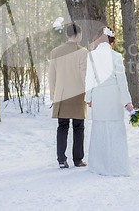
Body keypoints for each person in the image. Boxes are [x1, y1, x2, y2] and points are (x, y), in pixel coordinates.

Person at [85, 26, 134, 176]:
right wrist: (128, 102)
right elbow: (122, 82)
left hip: (99, 98)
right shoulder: (116, 56)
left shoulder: (91, 56)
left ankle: (99, 167)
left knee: (100, 133)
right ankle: (118, 168)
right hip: (113, 99)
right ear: (112, 40)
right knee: (116, 134)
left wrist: (89, 98)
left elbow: (89, 80)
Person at [48, 23, 88, 169]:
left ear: (67, 35)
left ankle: (61, 160)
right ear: (78, 35)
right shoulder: (83, 52)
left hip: (61, 94)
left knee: (62, 126)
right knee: (79, 127)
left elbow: (51, 76)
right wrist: (89, 94)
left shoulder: (55, 52)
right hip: (78, 94)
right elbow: (85, 75)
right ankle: (78, 160)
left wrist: (53, 95)